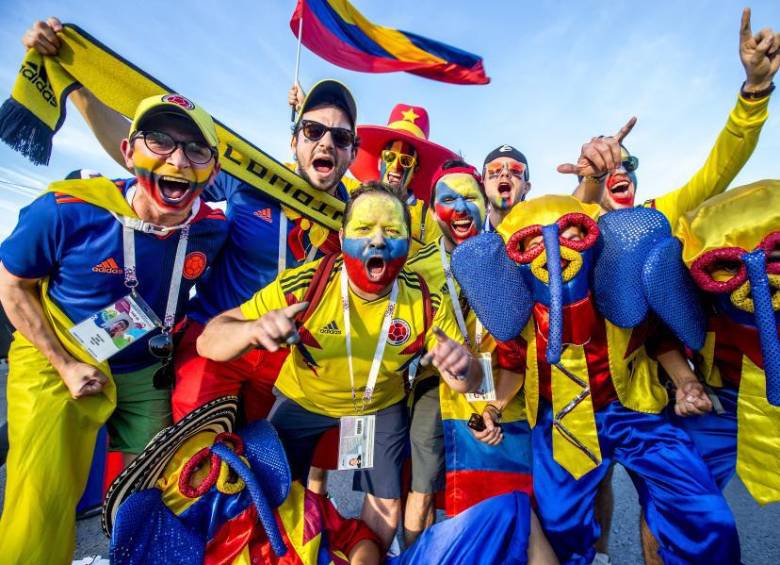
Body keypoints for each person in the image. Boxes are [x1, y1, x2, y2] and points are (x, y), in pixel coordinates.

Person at [21, 18, 361, 425]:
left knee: (255, 468)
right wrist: (74, 79)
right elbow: (153, 163)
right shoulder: (255, 179)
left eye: (340, 138)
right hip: (213, 340)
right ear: (295, 140)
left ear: (352, 152)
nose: (326, 142)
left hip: (285, 358)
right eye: (313, 130)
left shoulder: (357, 215)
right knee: (189, 467)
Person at [570, 9, 779, 561]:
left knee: (665, 516)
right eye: (609, 168)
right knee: (581, 517)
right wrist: (590, 174)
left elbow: (719, 169)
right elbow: (570, 227)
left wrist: (755, 91)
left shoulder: (664, 215)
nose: (621, 172)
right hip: (574, 400)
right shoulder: (570, 225)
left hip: (647, 396)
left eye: (627, 169)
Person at [0, 93, 228, 563]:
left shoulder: (211, 229)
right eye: (159, 141)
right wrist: (63, 364)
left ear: (211, 169)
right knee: (39, 498)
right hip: (57, 356)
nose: (178, 159)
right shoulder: (67, 210)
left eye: (195, 150)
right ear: (128, 151)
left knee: (162, 487)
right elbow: (12, 287)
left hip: (146, 366)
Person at [452, 194, 741, 564]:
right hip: (561, 424)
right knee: (560, 526)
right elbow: (512, 365)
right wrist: (494, 406)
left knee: (698, 505)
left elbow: (656, 338)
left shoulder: (619, 293)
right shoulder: (520, 313)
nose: (553, 250)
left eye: (570, 234)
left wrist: (686, 382)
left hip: (634, 412)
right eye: (535, 242)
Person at [197, 183, 483, 548]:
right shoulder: (309, 282)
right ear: (342, 235)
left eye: (392, 231)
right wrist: (252, 330)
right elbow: (209, 340)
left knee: (386, 503)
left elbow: (469, 380)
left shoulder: (423, 299)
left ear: (410, 243)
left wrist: (462, 366)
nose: (378, 241)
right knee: (273, 495)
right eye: (364, 229)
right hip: (304, 400)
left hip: (378, 406)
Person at [404, 161, 556, 565]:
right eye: (447, 200)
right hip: (433, 392)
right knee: (426, 491)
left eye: (469, 198)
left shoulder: (503, 252)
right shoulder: (415, 266)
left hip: (499, 390)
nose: (459, 209)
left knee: (509, 500)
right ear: (432, 208)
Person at [673, 180, 780, 505]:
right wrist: (686, 382)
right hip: (720, 403)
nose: (756, 274)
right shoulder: (691, 299)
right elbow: (658, 336)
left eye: (775, 256)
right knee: (677, 502)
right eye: (730, 265)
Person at [349, 103, 458, 254]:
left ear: (415, 170)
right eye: (390, 156)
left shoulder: (428, 219)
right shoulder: (352, 195)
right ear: (380, 161)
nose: (395, 167)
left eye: (406, 161)